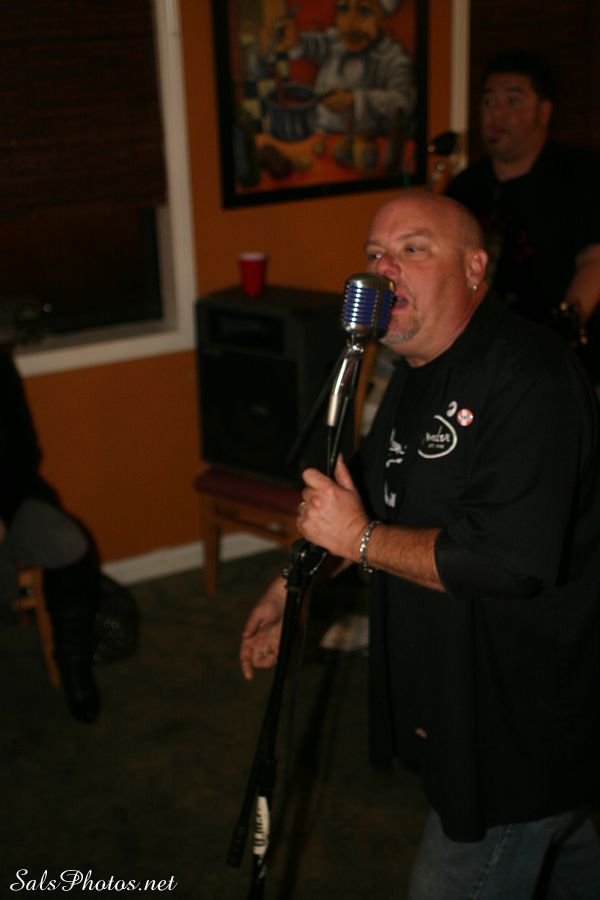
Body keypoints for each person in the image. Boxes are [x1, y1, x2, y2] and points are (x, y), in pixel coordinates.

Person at [239, 190, 600, 898]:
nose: (382, 269)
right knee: (565, 852)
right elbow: (366, 504)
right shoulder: (412, 375)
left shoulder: (531, 375)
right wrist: (289, 590)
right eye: (374, 253)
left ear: (474, 268)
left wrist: (360, 538)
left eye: (412, 249)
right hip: (459, 687)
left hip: (521, 721)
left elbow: (502, 561)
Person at [446, 49, 600, 383]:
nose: (496, 113)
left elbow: (594, 259)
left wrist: (562, 332)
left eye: (512, 101)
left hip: (561, 356)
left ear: (543, 111)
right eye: (489, 102)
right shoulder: (465, 186)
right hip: (485, 352)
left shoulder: (580, 175)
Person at [0, 344, 101, 724]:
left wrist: (2, 511)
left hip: (11, 498)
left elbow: (25, 449)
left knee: (69, 544)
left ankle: (74, 667)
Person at [263, 0, 413, 173]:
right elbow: (309, 43)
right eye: (343, 9)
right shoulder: (334, 40)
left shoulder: (393, 58)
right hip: (322, 142)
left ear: (383, 19)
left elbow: (402, 102)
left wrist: (355, 100)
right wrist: (294, 38)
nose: (350, 22)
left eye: (364, 11)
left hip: (365, 151)